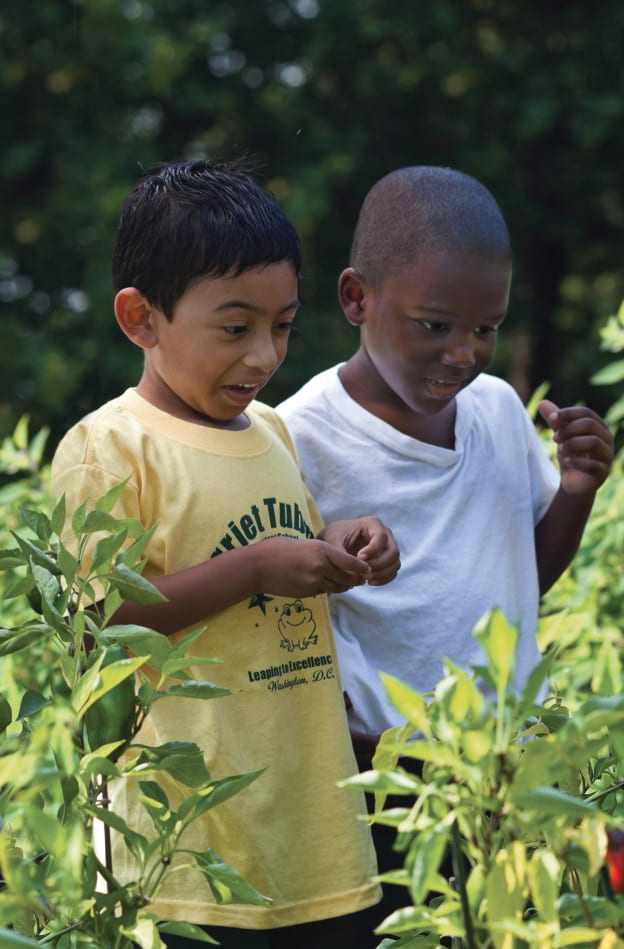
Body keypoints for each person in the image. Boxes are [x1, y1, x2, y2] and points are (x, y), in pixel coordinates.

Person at [50, 159, 401, 945]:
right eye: (235, 327)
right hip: (188, 865)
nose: (264, 356)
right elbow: (92, 625)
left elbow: (288, 552)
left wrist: (345, 547)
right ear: (142, 318)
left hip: (317, 841)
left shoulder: (272, 431)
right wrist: (255, 570)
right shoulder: (109, 448)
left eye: (283, 325)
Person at [277, 165, 614, 920]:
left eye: (485, 328)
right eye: (435, 325)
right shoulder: (299, 438)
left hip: (510, 773)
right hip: (383, 787)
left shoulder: (494, 409)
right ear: (357, 298)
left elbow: (519, 575)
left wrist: (577, 491)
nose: (464, 353)